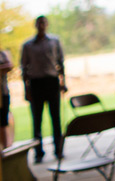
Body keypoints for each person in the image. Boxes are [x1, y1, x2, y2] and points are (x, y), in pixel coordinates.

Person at [20, 16, 66, 163]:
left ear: (47, 24)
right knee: (37, 119)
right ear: (35, 25)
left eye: (44, 23)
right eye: (39, 23)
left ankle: (58, 150)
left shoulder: (54, 41)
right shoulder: (28, 45)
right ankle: (38, 152)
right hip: (36, 84)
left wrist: (62, 82)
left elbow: (60, 63)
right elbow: (24, 68)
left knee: (56, 118)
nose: (41, 25)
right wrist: (26, 89)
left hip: (51, 82)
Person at [0, 47, 13, 149]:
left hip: (3, 92)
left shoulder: (2, 53)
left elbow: (9, 66)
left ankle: (5, 149)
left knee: (3, 122)